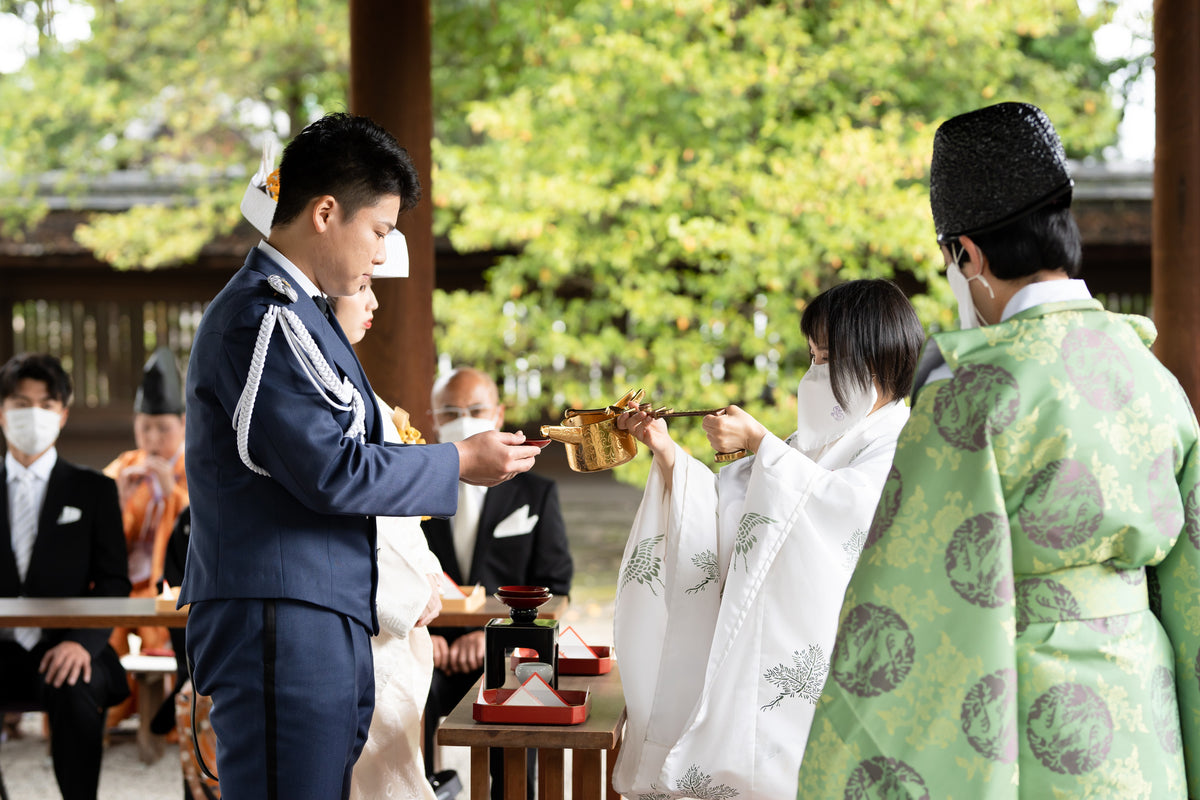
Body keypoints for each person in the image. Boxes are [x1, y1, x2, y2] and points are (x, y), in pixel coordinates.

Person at [796, 102, 1200, 798]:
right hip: (1145, 713)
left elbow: (908, 597)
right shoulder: (1151, 375)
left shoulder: (973, 391)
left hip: (1031, 715)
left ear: (968, 255)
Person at [178, 113, 541, 800]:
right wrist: (457, 462)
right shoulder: (266, 316)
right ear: (324, 213)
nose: (380, 254)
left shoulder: (303, 316)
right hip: (281, 611)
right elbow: (331, 469)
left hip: (319, 608)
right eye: (378, 230)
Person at [610, 279, 923, 800]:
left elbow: (845, 514)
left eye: (826, 358)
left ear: (874, 359)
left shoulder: (901, 442)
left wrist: (760, 442)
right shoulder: (818, 443)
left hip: (840, 668)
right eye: (812, 356)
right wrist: (668, 455)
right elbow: (736, 510)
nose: (813, 373)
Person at [421, 366, 573, 800]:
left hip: (507, 653)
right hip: (431, 651)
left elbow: (557, 585)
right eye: (449, 411)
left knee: (514, 731)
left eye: (475, 409)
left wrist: (491, 638)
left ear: (499, 414)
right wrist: (423, 636)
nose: (463, 418)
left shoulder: (536, 492)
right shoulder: (412, 490)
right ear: (434, 420)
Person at [330, 276, 445, 800]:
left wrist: (425, 571)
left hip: (393, 612)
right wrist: (413, 589)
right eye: (362, 285)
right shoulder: (328, 389)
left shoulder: (357, 388)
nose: (374, 300)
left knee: (394, 770)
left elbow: (397, 518)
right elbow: (350, 507)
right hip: (369, 620)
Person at [0, 353, 132, 800]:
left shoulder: (94, 489)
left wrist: (82, 641)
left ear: (63, 414)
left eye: (46, 403)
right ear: (2, 411)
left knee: (76, 683)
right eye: (21, 403)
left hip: (68, 645)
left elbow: (114, 581)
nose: (32, 414)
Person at [104, 346, 188, 726]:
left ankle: (169, 723)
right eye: (145, 427)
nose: (152, 437)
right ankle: (101, 718)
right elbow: (96, 528)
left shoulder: (195, 467)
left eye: (163, 427)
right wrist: (116, 499)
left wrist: (173, 495)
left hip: (168, 586)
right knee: (104, 632)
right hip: (123, 581)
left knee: (159, 636)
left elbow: (197, 526)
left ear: (184, 425)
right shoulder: (124, 467)